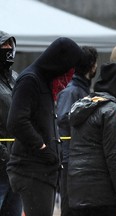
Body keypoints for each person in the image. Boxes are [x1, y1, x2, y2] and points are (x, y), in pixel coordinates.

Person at [6, 37, 83, 216]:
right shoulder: (30, 80)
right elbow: (16, 121)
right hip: (31, 170)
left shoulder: (42, 81)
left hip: (41, 171)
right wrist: (42, 147)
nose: (68, 78)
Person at [67, 62, 116, 216]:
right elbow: (115, 159)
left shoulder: (84, 105)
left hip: (76, 190)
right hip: (102, 196)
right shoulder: (113, 110)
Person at [56, 46, 98, 216]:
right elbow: (63, 118)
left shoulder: (82, 89)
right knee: (70, 206)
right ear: (91, 65)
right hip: (69, 157)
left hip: (79, 156)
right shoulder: (72, 90)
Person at [0, 30, 22, 216]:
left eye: (10, 45)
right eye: (3, 45)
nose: (7, 49)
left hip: (17, 165)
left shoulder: (16, 78)